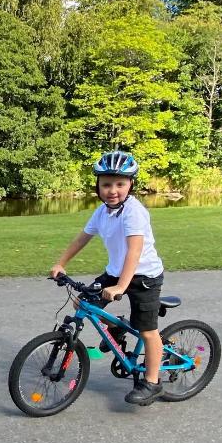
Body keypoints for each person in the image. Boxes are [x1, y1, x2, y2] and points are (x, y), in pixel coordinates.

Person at [50, 150, 165, 405]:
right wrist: (61, 263)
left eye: (120, 184)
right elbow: (82, 238)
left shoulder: (133, 212)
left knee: (147, 331)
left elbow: (134, 252)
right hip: (115, 272)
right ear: (98, 186)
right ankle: (117, 330)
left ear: (130, 185)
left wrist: (121, 287)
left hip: (144, 276)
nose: (113, 190)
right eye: (107, 184)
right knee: (83, 303)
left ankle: (152, 382)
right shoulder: (102, 211)